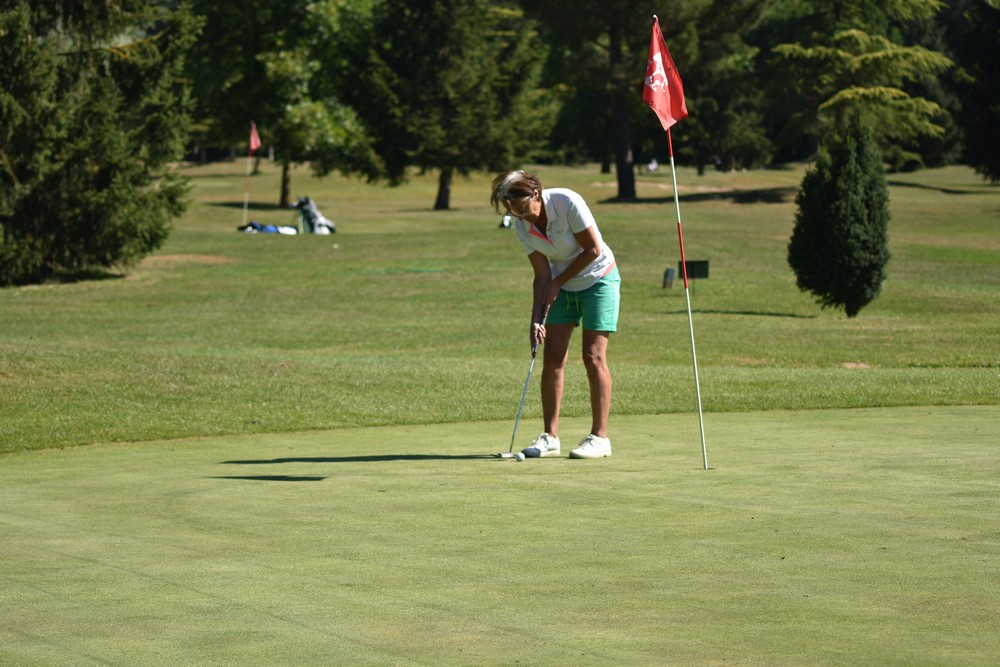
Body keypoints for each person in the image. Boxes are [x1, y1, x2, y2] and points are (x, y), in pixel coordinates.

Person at [490, 170, 620, 459]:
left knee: (593, 355)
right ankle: (550, 436)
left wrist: (558, 283)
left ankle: (600, 438)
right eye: (515, 213)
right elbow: (541, 275)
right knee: (552, 358)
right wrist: (536, 319)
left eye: (524, 209)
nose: (523, 218)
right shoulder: (522, 225)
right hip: (561, 284)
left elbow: (593, 250)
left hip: (599, 279)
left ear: (536, 193)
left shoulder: (567, 202)